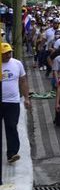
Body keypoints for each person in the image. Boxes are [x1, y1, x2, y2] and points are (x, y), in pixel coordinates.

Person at [1, 43, 31, 179]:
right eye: (5, 53)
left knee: (12, 127)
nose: (8, 55)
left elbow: (23, 81)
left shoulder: (17, 64)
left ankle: (12, 153)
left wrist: (26, 98)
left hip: (12, 102)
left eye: (10, 52)